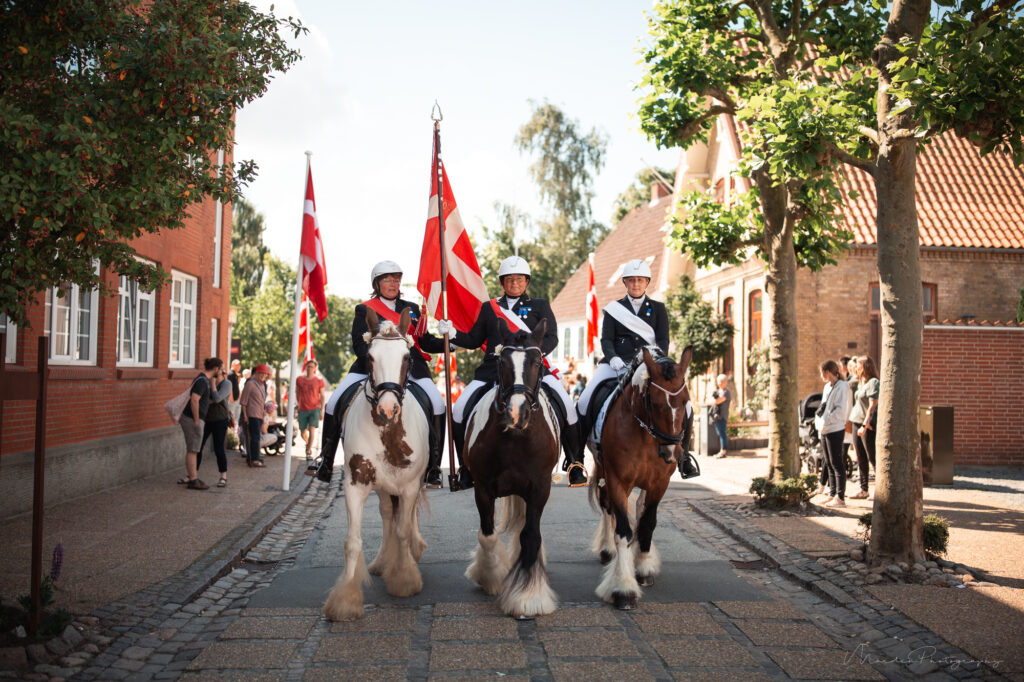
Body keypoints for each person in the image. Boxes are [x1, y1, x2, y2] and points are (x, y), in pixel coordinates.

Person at [439, 255, 585, 489]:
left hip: (531, 370)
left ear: (526, 281)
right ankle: (465, 467)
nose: (514, 283)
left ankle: (575, 462)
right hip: (493, 370)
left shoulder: (539, 305)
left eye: (519, 279)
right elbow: (475, 339)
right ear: (502, 282)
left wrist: (534, 355)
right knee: (459, 410)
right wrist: (453, 333)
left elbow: (552, 337)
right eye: (509, 279)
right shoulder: (489, 308)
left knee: (567, 406)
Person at [322, 261, 448, 487]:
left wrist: (450, 340)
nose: (393, 284)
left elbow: (425, 342)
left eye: (397, 280)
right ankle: (325, 461)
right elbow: (359, 345)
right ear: (377, 284)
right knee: (332, 403)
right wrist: (378, 363)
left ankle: (434, 467)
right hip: (372, 368)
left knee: (438, 404)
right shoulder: (364, 309)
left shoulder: (412, 309)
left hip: (410, 368)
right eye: (388, 280)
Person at [574, 259, 691, 475]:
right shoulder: (614, 309)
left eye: (640, 280)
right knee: (583, 402)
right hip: (616, 364)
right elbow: (606, 339)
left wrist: (656, 360)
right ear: (625, 283)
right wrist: (613, 357)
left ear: (647, 282)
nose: (636, 284)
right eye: (631, 280)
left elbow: (663, 340)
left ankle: (685, 457)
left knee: (686, 405)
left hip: (649, 365)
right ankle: (577, 460)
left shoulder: (658, 309)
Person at [178, 357, 224, 490]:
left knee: (194, 449)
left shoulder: (203, 379)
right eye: (220, 369)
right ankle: (193, 480)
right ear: (215, 368)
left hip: (193, 418)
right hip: (192, 419)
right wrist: (197, 420)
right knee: (193, 450)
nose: (221, 372)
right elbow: (194, 400)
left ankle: (194, 477)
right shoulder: (203, 381)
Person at [814, 359, 851, 508]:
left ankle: (840, 497)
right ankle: (832, 493)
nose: (821, 376)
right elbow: (824, 406)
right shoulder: (827, 387)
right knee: (828, 462)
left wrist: (828, 419)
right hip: (825, 428)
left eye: (822, 373)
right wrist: (821, 422)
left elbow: (840, 409)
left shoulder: (842, 386)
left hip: (835, 428)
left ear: (828, 372)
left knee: (837, 462)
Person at [848, 355, 879, 499]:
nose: (856, 368)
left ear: (865, 367)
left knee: (872, 456)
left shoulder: (873, 382)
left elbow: (873, 405)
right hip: (856, 421)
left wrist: (866, 424)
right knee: (860, 457)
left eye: (858, 365)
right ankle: (863, 489)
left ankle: (879, 491)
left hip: (865, 424)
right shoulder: (862, 382)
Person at [197, 365, 232, 488]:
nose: (215, 376)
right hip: (206, 419)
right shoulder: (205, 381)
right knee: (198, 447)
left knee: (219, 448)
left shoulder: (227, 384)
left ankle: (223, 476)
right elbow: (202, 398)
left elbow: (217, 399)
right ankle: (193, 475)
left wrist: (212, 385)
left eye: (218, 373)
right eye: (214, 375)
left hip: (220, 420)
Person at [295, 358, 326, 468]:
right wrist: (299, 403)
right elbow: (297, 392)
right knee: (302, 432)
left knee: (312, 429)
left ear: (315, 368)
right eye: (308, 366)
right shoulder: (300, 379)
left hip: (315, 408)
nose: (309, 368)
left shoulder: (319, 380)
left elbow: (322, 396)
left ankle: (308, 451)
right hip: (302, 408)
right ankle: (308, 443)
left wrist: (322, 410)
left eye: (312, 366)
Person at [240, 363, 272, 468]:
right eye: (261, 373)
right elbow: (243, 401)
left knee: (257, 437)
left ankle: (254, 457)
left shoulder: (263, 385)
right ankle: (254, 460)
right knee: (255, 437)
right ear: (256, 373)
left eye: (265, 374)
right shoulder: (250, 384)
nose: (263, 375)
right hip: (252, 414)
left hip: (259, 415)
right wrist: (245, 415)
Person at [711, 374, 731, 459]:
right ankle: (721, 451)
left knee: (722, 434)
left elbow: (717, 401)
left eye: (721, 381)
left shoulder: (726, 392)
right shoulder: (719, 391)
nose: (719, 383)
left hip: (722, 416)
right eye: (719, 381)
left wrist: (714, 400)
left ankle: (723, 452)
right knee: (719, 434)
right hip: (717, 416)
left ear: (726, 382)